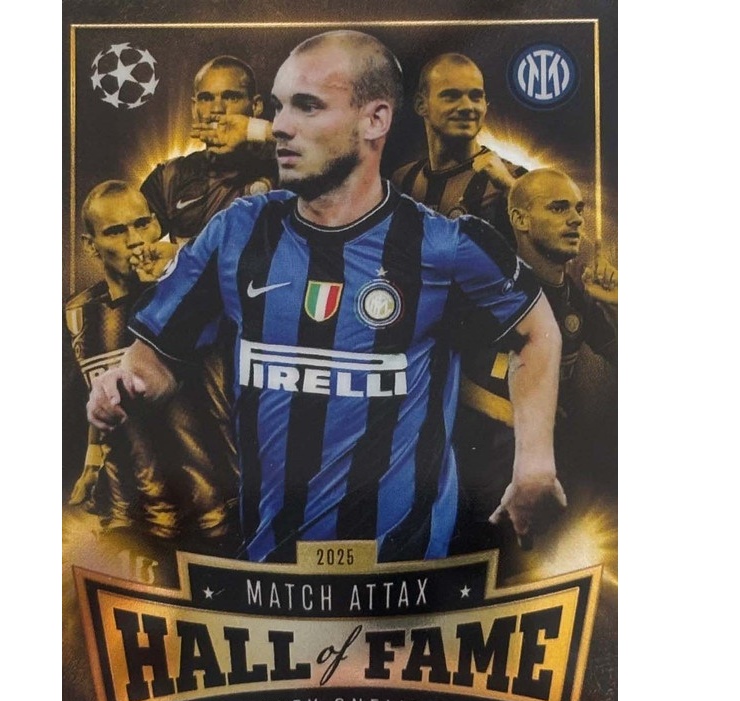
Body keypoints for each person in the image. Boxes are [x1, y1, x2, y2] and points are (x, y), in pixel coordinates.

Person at [87, 31, 566, 563]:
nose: (280, 126)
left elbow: (537, 330)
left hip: (405, 577)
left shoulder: (444, 245)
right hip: (269, 569)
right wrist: (123, 384)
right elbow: (156, 357)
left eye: (308, 106)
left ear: (375, 120)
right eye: (278, 107)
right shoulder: (238, 231)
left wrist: (534, 465)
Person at [66, 180, 239, 548]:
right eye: (116, 231)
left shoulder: (197, 301)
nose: (135, 240)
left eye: (142, 224)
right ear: (90, 245)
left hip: (210, 519)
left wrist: (179, 265)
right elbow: (93, 398)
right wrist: (91, 464)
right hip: (126, 520)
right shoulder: (78, 315)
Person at [452, 169, 617, 552]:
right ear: (520, 219)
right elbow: (432, 368)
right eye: (559, 208)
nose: (575, 219)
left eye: (578, 209)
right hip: (474, 474)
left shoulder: (577, 297)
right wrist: (512, 411)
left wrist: (615, 305)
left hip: (548, 478)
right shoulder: (483, 289)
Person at [140, 56, 277, 243]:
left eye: (231, 97)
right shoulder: (169, 177)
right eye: (206, 98)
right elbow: (130, 243)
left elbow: (320, 148)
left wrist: (255, 130)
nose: (217, 109)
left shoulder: (285, 168)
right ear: (194, 108)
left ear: (256, 106)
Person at [391, 53, 525, 242]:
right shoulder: (402, 179)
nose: (467, 107)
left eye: (476, 97)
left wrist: (510, 189)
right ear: (421, 105)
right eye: (452, 96)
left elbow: (550, 249)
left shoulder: (514, 178)